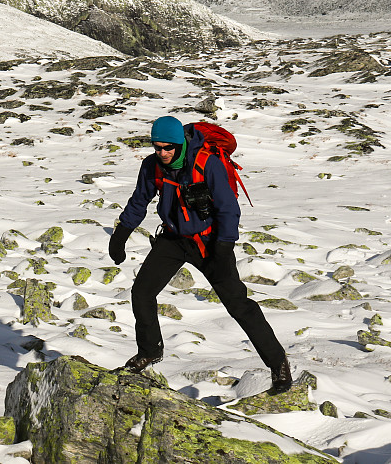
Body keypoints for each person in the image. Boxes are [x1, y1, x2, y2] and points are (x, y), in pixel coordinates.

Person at [109, 115, 292, 394]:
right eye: (157, 147)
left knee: (238, 305)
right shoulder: (152, 166)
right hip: (173, 239)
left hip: (209, 242)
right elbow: (139, 200)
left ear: (180, 143)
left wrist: (224, 246)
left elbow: (228, 208)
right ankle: (149, 351)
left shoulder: (208, 164)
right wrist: (122, 233)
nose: (163, 153)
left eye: (168, 147)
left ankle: (278, 364)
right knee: (142, 292)